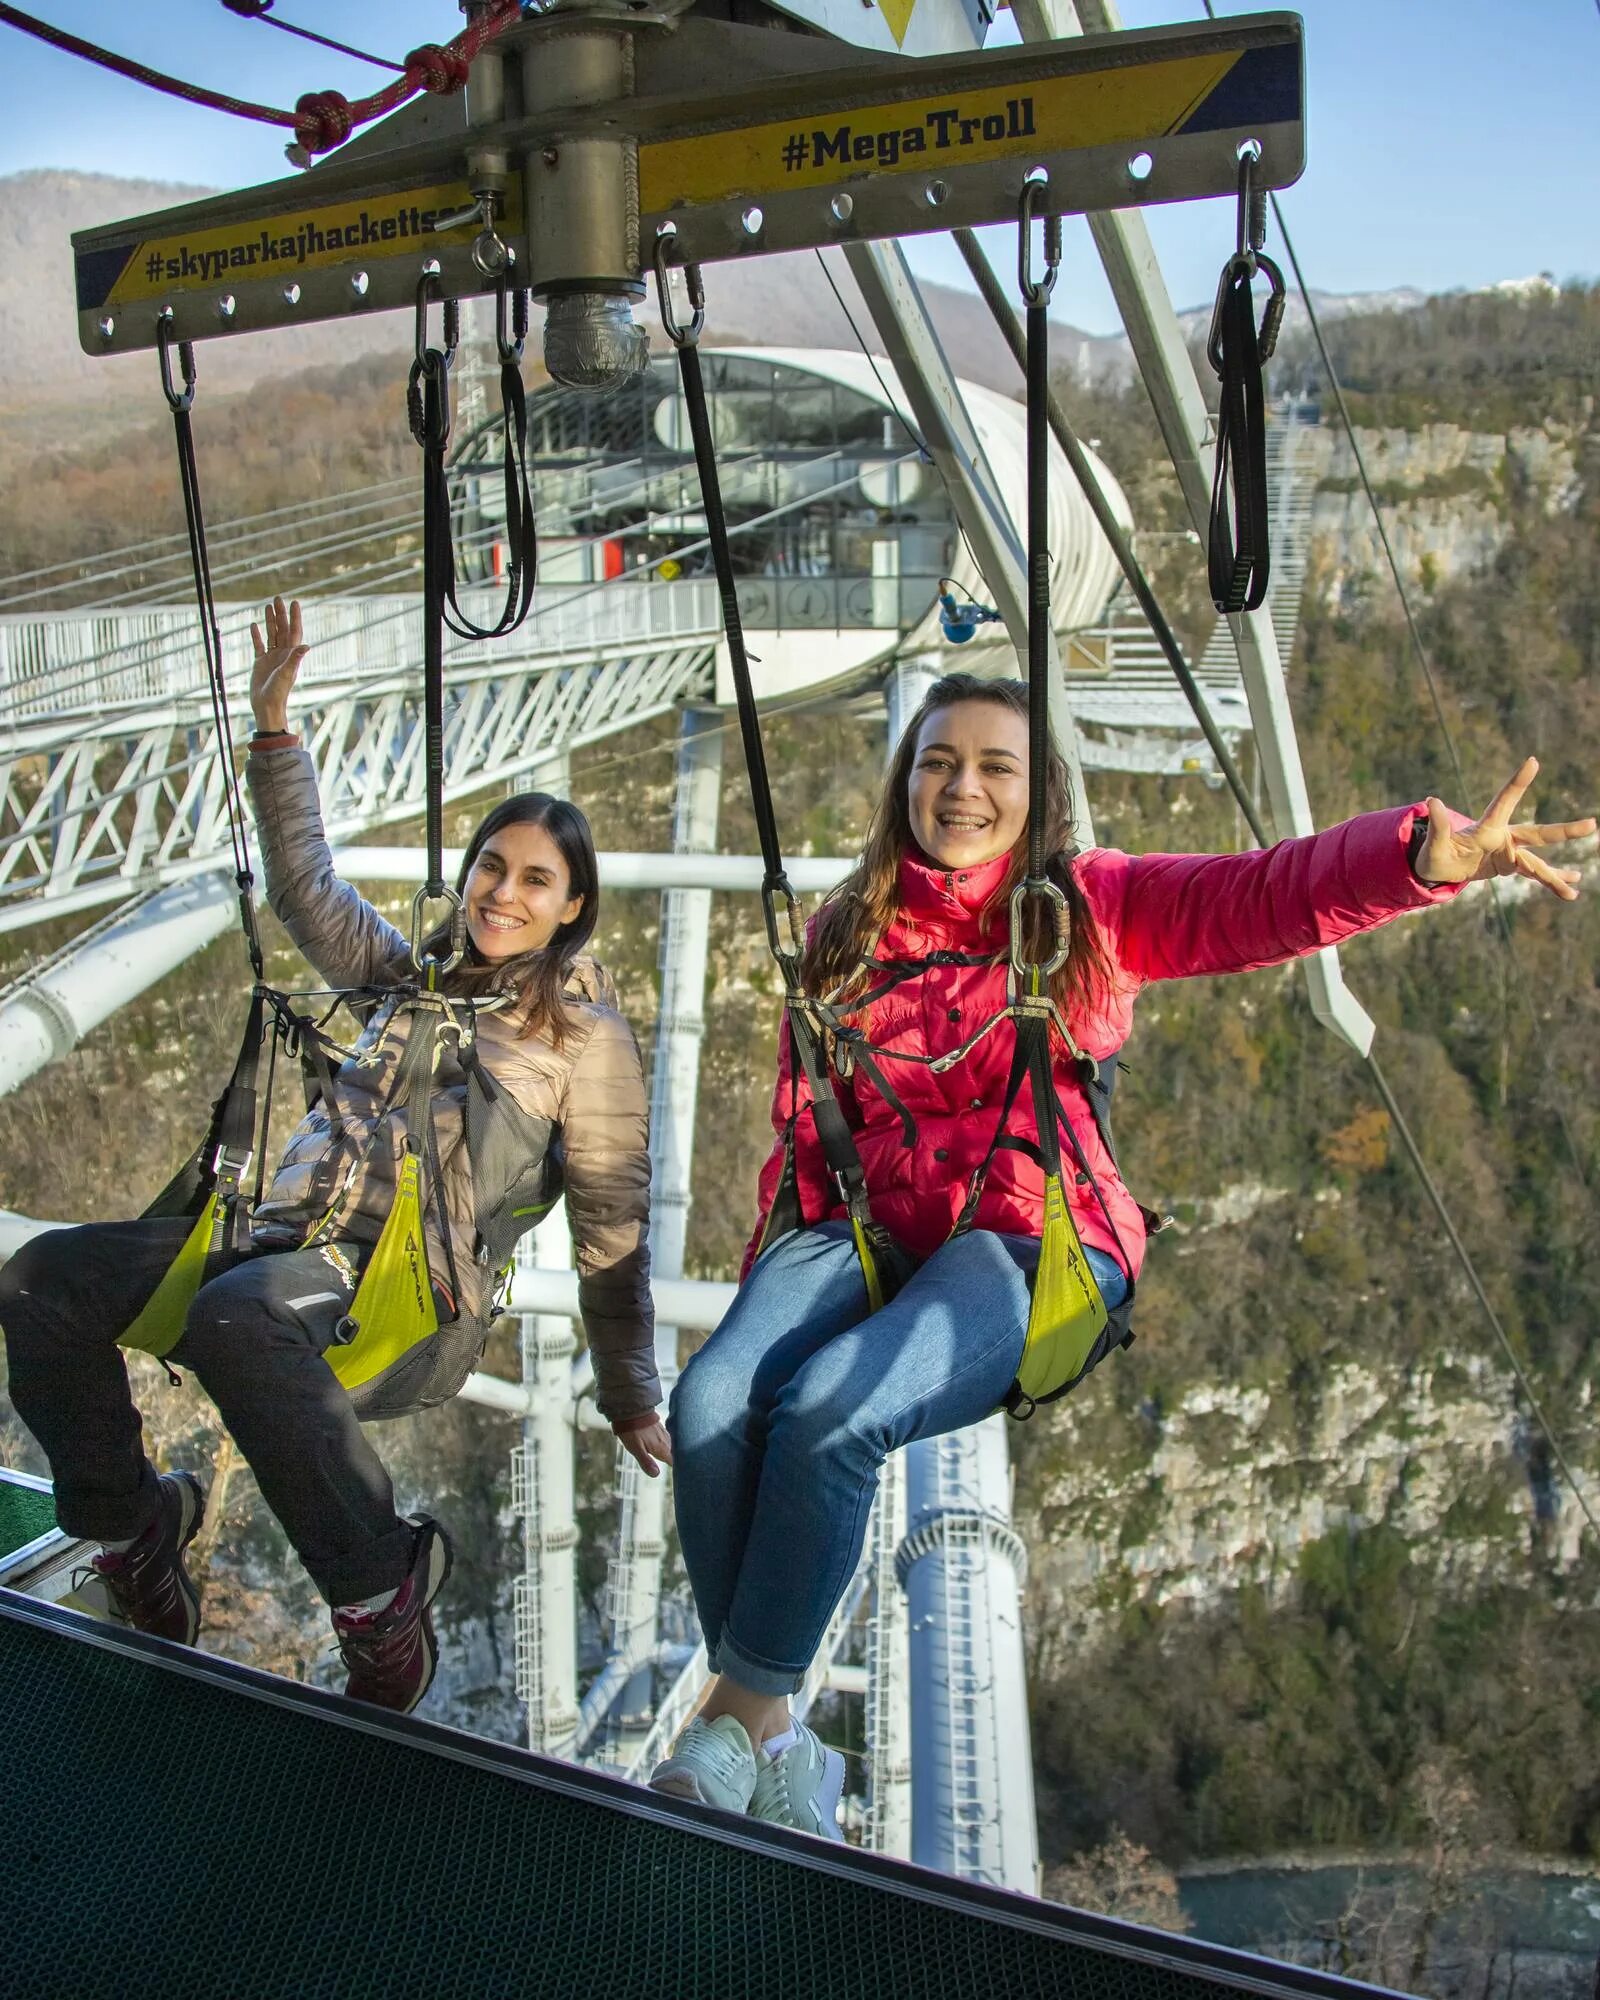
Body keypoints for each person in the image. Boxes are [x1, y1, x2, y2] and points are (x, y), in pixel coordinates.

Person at [651, 669, 1592, 1836]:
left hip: (1028, 1235)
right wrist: (763, 1298)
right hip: (865, 1222)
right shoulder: (844, 928)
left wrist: (1413, 857)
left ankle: (734, 1718)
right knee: (713, 1402)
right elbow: (806, 1130)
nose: (963, 786)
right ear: (905, 780)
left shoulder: (1081, 909)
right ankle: (770, 1728)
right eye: (940, 760)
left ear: (1037, 798)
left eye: (998, 766)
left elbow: (1253, 897)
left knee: (830, 1411)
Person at [0, 598, 669, 1714]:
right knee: (44, 1279)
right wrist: (275, 729)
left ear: (574, 905)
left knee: (234, 1317)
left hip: (402, 1289)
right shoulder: (407, 977)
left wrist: (627, 1381)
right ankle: (132, 1522)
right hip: (280, 1247)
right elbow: (308, 892)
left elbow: (611, 1217)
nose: (502, 892)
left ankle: (377, 1587)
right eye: (490, 868)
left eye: (534, 879)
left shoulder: (580, 1036)